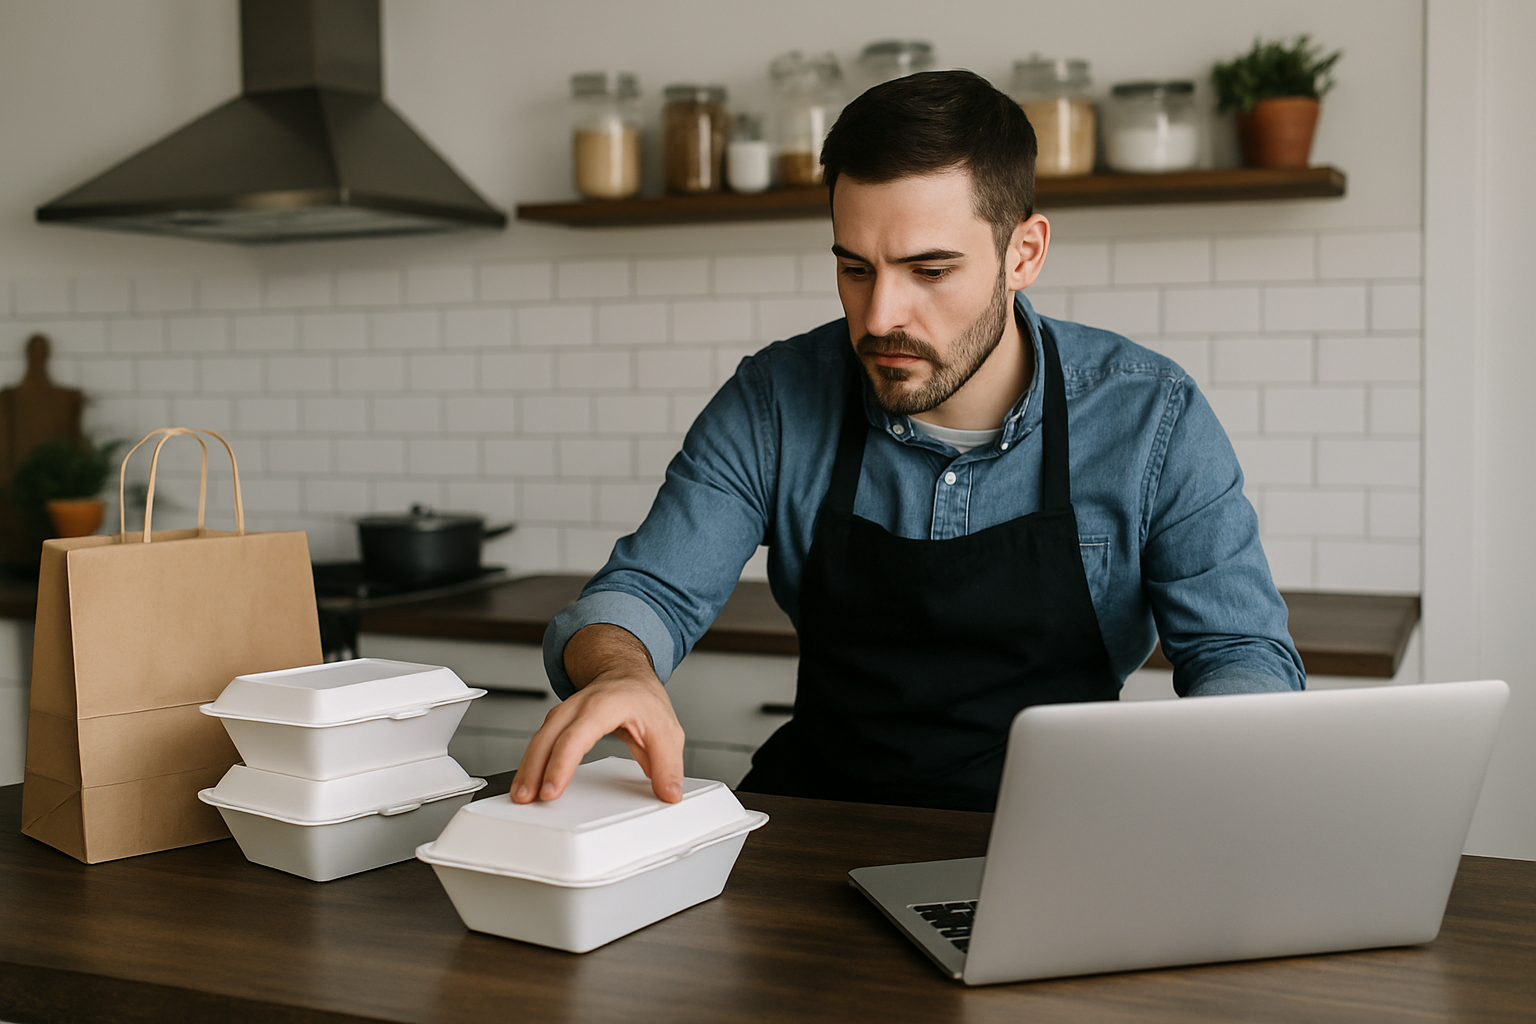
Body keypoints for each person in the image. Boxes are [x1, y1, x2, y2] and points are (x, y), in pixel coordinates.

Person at [511, 70, 1304, 813]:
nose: (882, 314)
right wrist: (624, 675)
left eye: (929, 271)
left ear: (1023, 254)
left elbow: (1243, 653)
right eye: (856, 269)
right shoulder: (776, 399)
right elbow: (642, 595)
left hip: (1056, 832)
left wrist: (1214, 771)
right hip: (819, 823)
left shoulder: (1149, 417)